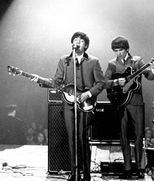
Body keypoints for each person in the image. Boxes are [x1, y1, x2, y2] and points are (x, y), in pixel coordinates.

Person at [31, 32, 105, 181]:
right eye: (74, 40)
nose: (77, 42)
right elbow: (57, 81)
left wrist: (88, 94)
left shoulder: (93, 61)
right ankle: (75, 172)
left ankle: (87, 174)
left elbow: (101, 83)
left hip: (86, 104)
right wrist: (41, 80)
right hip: (68, 104)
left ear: (86, 45)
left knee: (83, 137)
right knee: (72, 137)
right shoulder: (64, 60)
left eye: (80, 40)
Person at [104, 36, 154, 179]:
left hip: (136, 102)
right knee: (123, 136)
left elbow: (150, 77)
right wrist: (116, 81)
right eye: (115, 51)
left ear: (127, 49)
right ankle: (127, 168)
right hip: (120, 103)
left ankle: (140, 168)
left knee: (139, 135)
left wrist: (153, 69)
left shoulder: (137, 61)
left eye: (120, 50)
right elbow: (104, 82)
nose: (118, 53)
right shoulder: (111, 64)